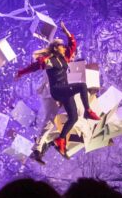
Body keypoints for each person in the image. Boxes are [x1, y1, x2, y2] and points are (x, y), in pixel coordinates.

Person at [16, 21, 100, 159]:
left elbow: (72, 46)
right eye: (61, 45)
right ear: (56, 48)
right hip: (55, 91)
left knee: (74, 117)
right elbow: (35, 66)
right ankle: (88, 111)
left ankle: (59, 141)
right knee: (81, 87)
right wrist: (21, 73)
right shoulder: (49, 61)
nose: (65, 47)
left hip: (64, 90)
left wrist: (67, 33)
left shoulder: (64, 58)